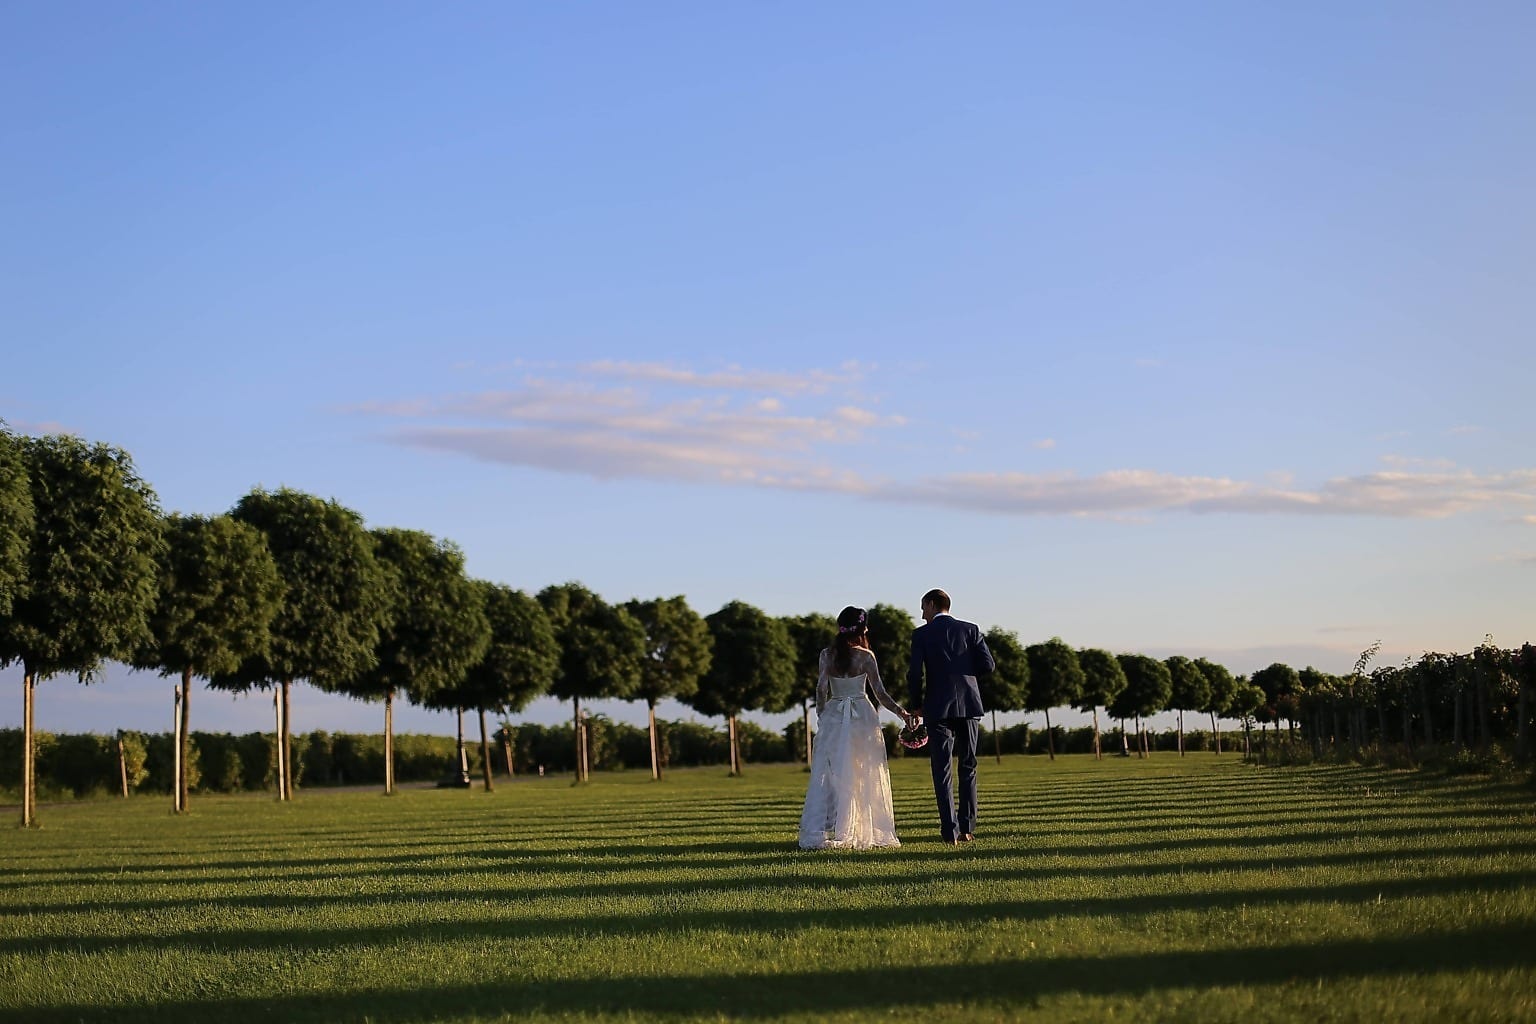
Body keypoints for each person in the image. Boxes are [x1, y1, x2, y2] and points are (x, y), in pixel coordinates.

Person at [797, 606, 913, 850]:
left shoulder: (826, 655)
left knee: (837, 773)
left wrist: (822, 713)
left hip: (836, 714)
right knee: (864, 772)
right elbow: (880, 693)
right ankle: (859, 828)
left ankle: (841, 827)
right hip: (862, 715)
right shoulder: (866, 656)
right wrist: (902, 713)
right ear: (861, 629)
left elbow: (820, 689)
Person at [907, 588, 994, 846]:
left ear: (933, 605)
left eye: (923, 607)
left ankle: (950, 832)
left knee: (942, 769)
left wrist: (916, 705)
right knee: (968, 765)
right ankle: (967, 828)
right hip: (969, 704)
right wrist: (965, 673)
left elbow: (915, 674)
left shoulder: (921, 635)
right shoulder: (971, 629)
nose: (922, 614)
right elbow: (988, 665)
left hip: (937, 707)